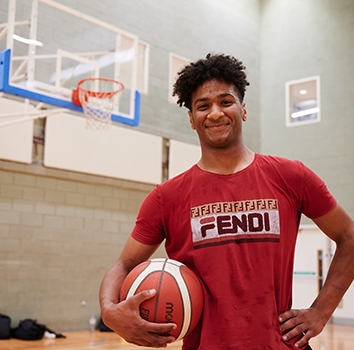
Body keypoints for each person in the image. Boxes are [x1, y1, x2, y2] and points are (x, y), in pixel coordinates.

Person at [99, 54, 354, 349]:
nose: (215, 113)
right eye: (203, 106)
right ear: (192, 120)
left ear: (243, 110)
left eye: (226, 101)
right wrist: (109, 310)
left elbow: (348, 236)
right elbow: (124, 264)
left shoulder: (290, 176)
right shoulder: (165, 198)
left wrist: (320, 312)